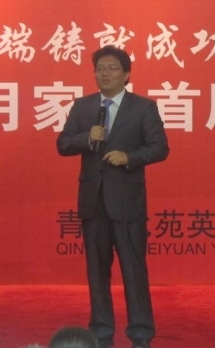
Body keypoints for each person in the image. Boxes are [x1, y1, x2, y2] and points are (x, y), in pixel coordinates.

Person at [57, 45, 169, 348]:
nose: (104, 74)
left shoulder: (143, 107)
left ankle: (141, 334)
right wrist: (86, 138)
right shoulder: (83, 107)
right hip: (93, 203)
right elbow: (63, 144)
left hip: (127, 203)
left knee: (134, 271)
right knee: (97, 273)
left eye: (112, 68)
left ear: (126, 74)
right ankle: (101, 332)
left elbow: (160, 148)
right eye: (100, 69)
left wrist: (129, 157)